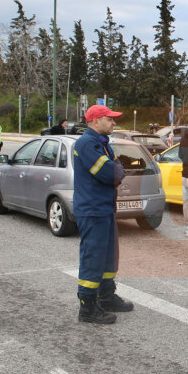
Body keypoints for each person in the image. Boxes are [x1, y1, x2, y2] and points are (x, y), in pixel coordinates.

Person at [72, 104, 133, 324]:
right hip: (93, 209)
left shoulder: (101, 143)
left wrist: (116, 168)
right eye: (109, 119)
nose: (114, 122)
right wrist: (116, 168)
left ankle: (106, 296)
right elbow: (110, 172)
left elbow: (116, 169)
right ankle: (87, 308)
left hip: (104, 208)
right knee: (93, 257)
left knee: (108, 256)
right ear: (95, 121)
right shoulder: (87, 143)